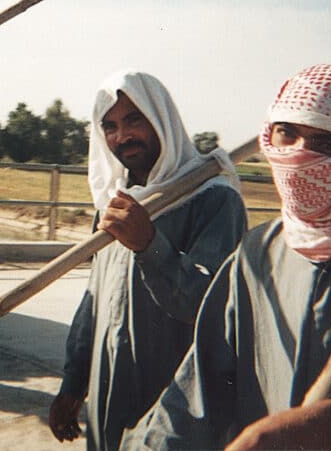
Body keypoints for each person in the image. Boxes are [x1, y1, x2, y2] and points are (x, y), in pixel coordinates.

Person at [122, 64, 331, 450]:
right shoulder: (258, 253)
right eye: (287, 134)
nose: (299, 156)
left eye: (328, 143)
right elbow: (199, 389)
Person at [49, 70, 247, 451]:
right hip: (109, 398)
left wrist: (149, 245)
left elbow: (209, 306)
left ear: (161, 118)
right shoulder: (114, 205)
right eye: (110, 125)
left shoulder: (213, 198)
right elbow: (94, 301)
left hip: (176, 405)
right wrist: (73, 383)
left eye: (134, 119)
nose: (121, 137)